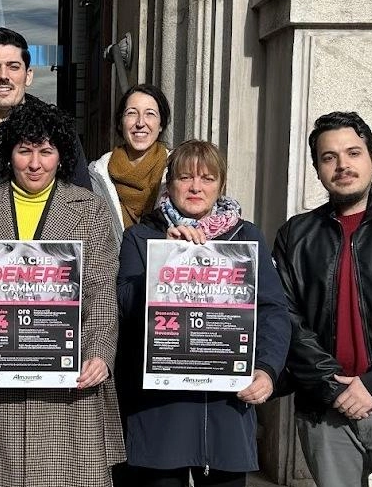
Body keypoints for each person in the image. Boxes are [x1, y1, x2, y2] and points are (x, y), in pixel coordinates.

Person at [0, 101, 124, 486]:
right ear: (10, 154)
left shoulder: (88, 209)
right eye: (24, 150)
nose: (34, 163)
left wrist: (100, 354)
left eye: (46, 151)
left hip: (68, 376)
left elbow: (101, 287)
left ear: (61, 156)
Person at [114, 140, 290, 487]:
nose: (196, 187)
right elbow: (122, 305)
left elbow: (273, 311)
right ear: (169, 184)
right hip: (160, 413)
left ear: (221, 186)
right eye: (185, 177)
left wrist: (267, 369)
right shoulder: (140, 236)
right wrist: (168, 256)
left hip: (227, 410)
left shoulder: (246, 236)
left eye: (208, 178)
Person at [273, 111, 372, 487]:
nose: (342, 165)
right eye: (329, 157)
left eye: (353, 153)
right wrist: (335, 386)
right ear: (317, 168)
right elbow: (285, 319)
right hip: (326, 412)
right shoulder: (296, 234)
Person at [0, 27, 91, 190]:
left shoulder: (57, 128)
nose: (3, 76)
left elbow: (81, 199)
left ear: (28, 76)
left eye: (13, 67)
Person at [89, 83, 172, 246]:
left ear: (161, 124)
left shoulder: (177, 172)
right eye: (132, 113)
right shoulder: (97, 175)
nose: (140, 122)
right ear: (120, 123)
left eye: (150, 114)